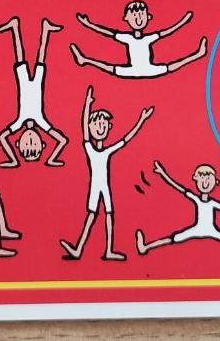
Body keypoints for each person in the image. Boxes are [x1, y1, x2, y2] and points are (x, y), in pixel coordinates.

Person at [60, 85, 153, 261]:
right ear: (91, 126)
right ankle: (79, 249)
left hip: (104, 188)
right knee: (92, 215)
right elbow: (84, 130)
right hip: (96, 188)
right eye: (97, 124)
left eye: (103, 124)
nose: (100, 127)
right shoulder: (90, 149)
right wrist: (87, 104)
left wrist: (141, 120)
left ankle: (107, 250)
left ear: (109, 126)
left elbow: (126, 139)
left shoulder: (106, 151)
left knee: (108, 214)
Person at [136, 162, 220, 256]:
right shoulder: (196, 199)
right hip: (197, 229)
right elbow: (177, 187)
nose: (205, 182)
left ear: (216, 182)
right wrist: (163, 173)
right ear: (196, 179)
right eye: (202, 177)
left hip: (212, 230)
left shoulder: (213, 203)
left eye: (208, 178)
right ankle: (145, 247)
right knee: (173, 238)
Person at [0, 16, 70, 167]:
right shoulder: (42, 123)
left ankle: (15, 28)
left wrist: (14, 159)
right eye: (34, 147)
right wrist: (51, 159)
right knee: (40, 61)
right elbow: (62, 140)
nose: (30, 143)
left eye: (26, 148)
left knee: (21, 59)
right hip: (36, 85)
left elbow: (2, 137)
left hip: (24, 84)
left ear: (17, 144)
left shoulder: (18, 123)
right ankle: (46, 30)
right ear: (43, 144)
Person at [69, 0, 206, 79]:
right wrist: (89, 25)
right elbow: (108, 33)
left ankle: (197, 54)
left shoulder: (148, 38)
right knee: (110, 67)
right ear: (126, 18)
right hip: (132, 70)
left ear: (148, 17)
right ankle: (84, 60)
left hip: (149, 69)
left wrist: (183, 22)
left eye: (141, 14)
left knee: (171, 66)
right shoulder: (127, 37)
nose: (138, 18)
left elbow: (168, 32)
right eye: (134, 15)